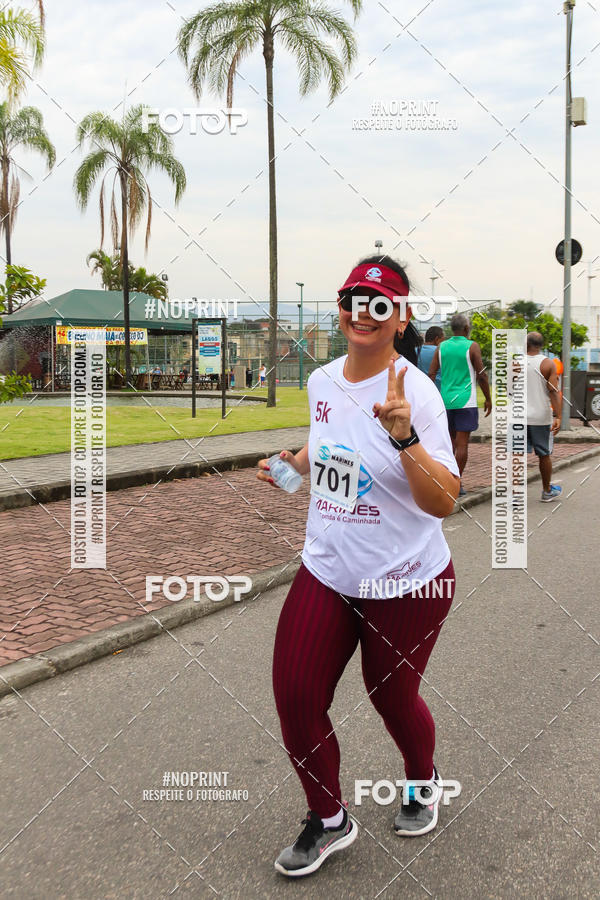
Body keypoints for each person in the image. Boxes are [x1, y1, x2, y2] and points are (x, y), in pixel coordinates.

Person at [257, 255, 460, 878]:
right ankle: (328, 819)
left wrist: (405, 440)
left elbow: (444, 500)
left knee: (390, 694)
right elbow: (331, 448)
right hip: (328, 567)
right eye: (351, 299)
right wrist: (293, 465)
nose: (360, 312)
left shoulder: (416, 394)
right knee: (295, 694)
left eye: (379, 303)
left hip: (409, 579)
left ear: (399, 316)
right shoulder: (321, 382)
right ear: (340, 307)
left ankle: (422, 781)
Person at [428, 314, 492, 496]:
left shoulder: (441, 347)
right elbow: (481, 375)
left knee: (449, 443)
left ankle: (445, 480)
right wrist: (488, 398)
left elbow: (431, 374)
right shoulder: (472, 346)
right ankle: (457, 482)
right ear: (466, 329)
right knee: (462, 444)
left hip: (445, 401)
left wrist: (434, 397)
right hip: (466, 400)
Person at [526, 332, 562, 501]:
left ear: (526, 343)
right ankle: (547, 491)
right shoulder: (548, 364)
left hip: (518, 416)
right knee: (544, 454)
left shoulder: (514, 363)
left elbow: (508, 391)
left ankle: (514, 496)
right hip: (540, 416)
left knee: (517, 455)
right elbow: (553, 392)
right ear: (541, 345)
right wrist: (559, 416)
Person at [417, 325, 444, 390]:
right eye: (442, 340)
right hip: (438, 391)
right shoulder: (441, 351)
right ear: (436, 339)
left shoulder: (415, 351)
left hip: (419, 389)